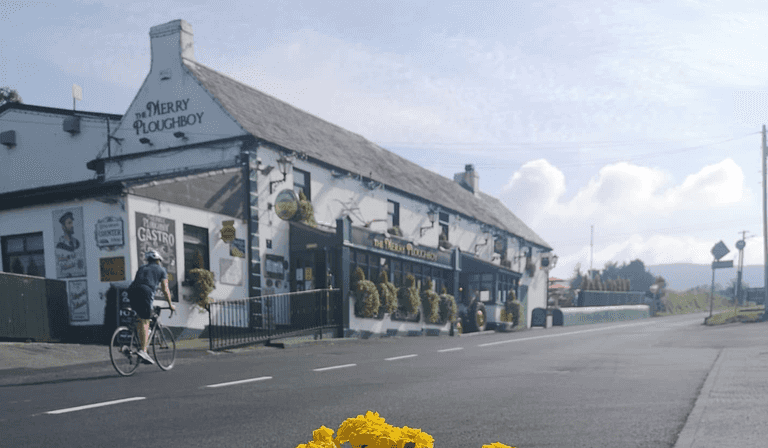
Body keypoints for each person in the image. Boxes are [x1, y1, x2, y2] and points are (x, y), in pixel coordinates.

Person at [128, 249, 175, 364]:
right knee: (145, 320)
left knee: (140, 319)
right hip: (146, 291)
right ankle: (143, 351)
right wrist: (170, 305)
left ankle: (132, 346)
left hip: (131, 291)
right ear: (158, 260)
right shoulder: (161, 270)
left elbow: (138, 282)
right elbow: (165, 289)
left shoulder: (142, 268)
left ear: (148, 260)